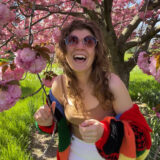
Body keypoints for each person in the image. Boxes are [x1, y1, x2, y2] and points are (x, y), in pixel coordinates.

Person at [34, 19, 152, 160]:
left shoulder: (112, 84)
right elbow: (55, 122)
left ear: (96, 51)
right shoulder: (59, 84)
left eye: (88, 41)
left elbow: (141, 139)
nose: (80, 47)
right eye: (72, 40)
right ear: (64, 49)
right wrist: (45, 121)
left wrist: (105, 132)